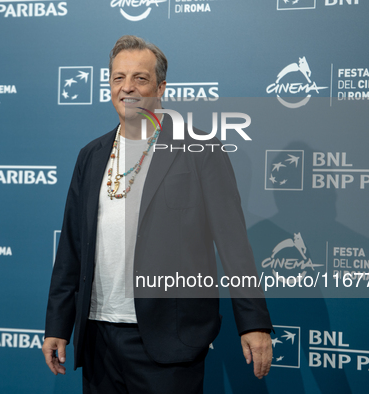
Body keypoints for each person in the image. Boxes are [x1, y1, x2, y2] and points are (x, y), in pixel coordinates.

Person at [43, 35, 273, 394]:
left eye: (140, 78)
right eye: (118, 78)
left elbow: (234, 244)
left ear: (160, 87)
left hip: (169, 339)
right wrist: (58, 325)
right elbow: (71, 248)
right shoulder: (91, 155)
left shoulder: (200, 149)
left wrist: (253, 323)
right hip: (99, 336)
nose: (127, 88)